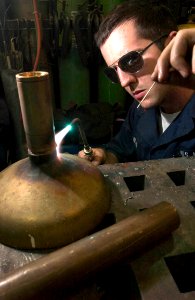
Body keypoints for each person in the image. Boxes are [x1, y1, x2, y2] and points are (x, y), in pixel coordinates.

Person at [78, 1, 195, 165]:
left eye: (131, 60)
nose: (124, 82)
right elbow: (121, 150)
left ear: (171, 45)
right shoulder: (141, 110)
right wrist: (105, 157)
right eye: (114, 72)